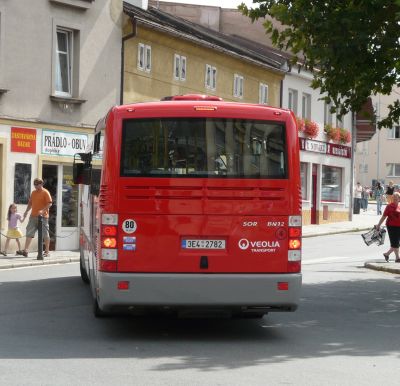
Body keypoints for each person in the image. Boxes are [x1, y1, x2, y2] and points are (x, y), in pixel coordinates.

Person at [21, 178, 52, 257]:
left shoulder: (45, 192)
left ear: (41, 184)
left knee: (45, 234)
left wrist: (42, 210)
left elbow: (49, 204)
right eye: (34, 185)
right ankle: (26, 250)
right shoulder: (33, 193)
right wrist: (26, 211)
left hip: (43, 217)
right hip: (33, 216)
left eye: (37, 185)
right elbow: (30, 203)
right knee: (29, 232)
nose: (35, 186)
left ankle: (47, 251)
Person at [375, 191, 400, 263]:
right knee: (395, 243)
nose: (395, 199)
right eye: (394, 197)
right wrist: (378, 225)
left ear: (399, 198)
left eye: (396, 198)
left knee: (397, 243)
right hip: (391, 226)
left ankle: (387, 254)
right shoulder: (389, 206)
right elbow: (384, 216)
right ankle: (397, 258)